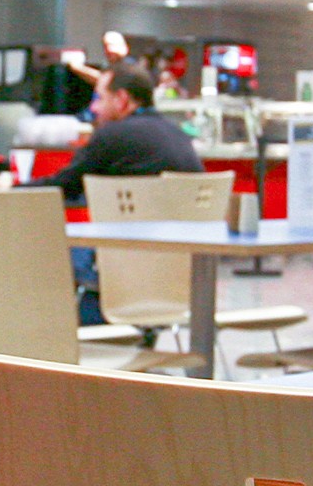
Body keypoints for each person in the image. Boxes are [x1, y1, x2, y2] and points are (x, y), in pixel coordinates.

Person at [17, 57, 203, 323]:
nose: (93, 108)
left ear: (122, 100)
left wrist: (12, 189)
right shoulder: (179, 137)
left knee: (48, 253)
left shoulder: (112, 136)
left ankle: (66, 337)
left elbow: (63, 186)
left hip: (123, 266)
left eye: (99, 98)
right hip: (182, 273)